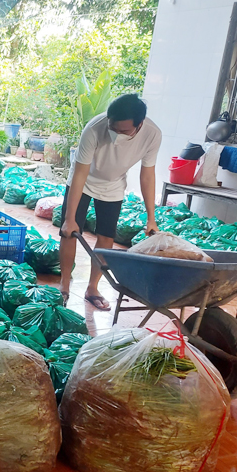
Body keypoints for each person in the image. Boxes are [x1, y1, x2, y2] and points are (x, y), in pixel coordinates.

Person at [59, 93, 161, 310]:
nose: (116, 134)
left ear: (139, 125)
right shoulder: (94, 128)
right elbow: (80, 173)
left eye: (124, 131)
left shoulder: (152, 134)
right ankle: (64, 284)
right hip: (83, 180)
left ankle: (92, 288)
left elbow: (147, 175)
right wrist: (69, 218)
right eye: (113, 128)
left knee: (106, 237)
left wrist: (151, 218)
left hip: (113, 185)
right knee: (69, 232)